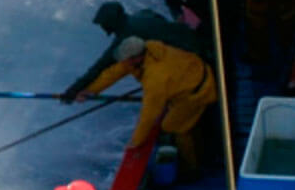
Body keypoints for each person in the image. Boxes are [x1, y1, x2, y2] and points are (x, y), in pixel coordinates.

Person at [69, 36, 219, 175]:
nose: (123, 63)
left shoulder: (155, 78)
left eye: (126, 60)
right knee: (179, 118)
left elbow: (149, 114)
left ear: (137, 58)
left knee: (173, 126)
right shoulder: (148, 49)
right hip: (192, 72)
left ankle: (191, 167)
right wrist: (91, 91)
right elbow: (113, 72)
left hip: (198, 91)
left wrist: (136, 141)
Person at [58, 0, 205, 103]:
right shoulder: (142, 14)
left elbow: (100, 67)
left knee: (125, 64)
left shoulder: (127, 36)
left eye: (103, 24)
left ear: (111, 23)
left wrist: (73, 90)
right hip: (195, 38)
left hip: (193, 59)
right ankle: (91, 90)